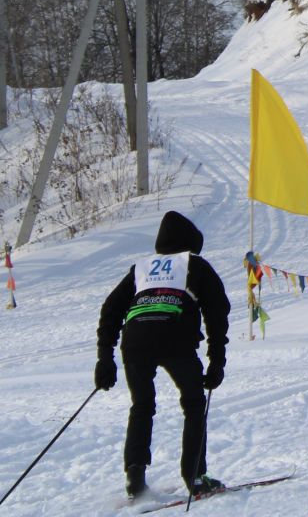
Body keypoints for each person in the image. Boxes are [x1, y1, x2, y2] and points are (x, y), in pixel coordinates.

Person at [95, 210, 232, 501]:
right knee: (194, 404)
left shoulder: (141, 268)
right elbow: (217, 312)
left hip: (135, 341)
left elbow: (110, 309)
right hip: (176, 340)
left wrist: (104, 358)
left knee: (141, 406)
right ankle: (195, 477)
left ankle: (135, 479)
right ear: (191, 244)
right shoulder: (194, 265)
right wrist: (216, 360)